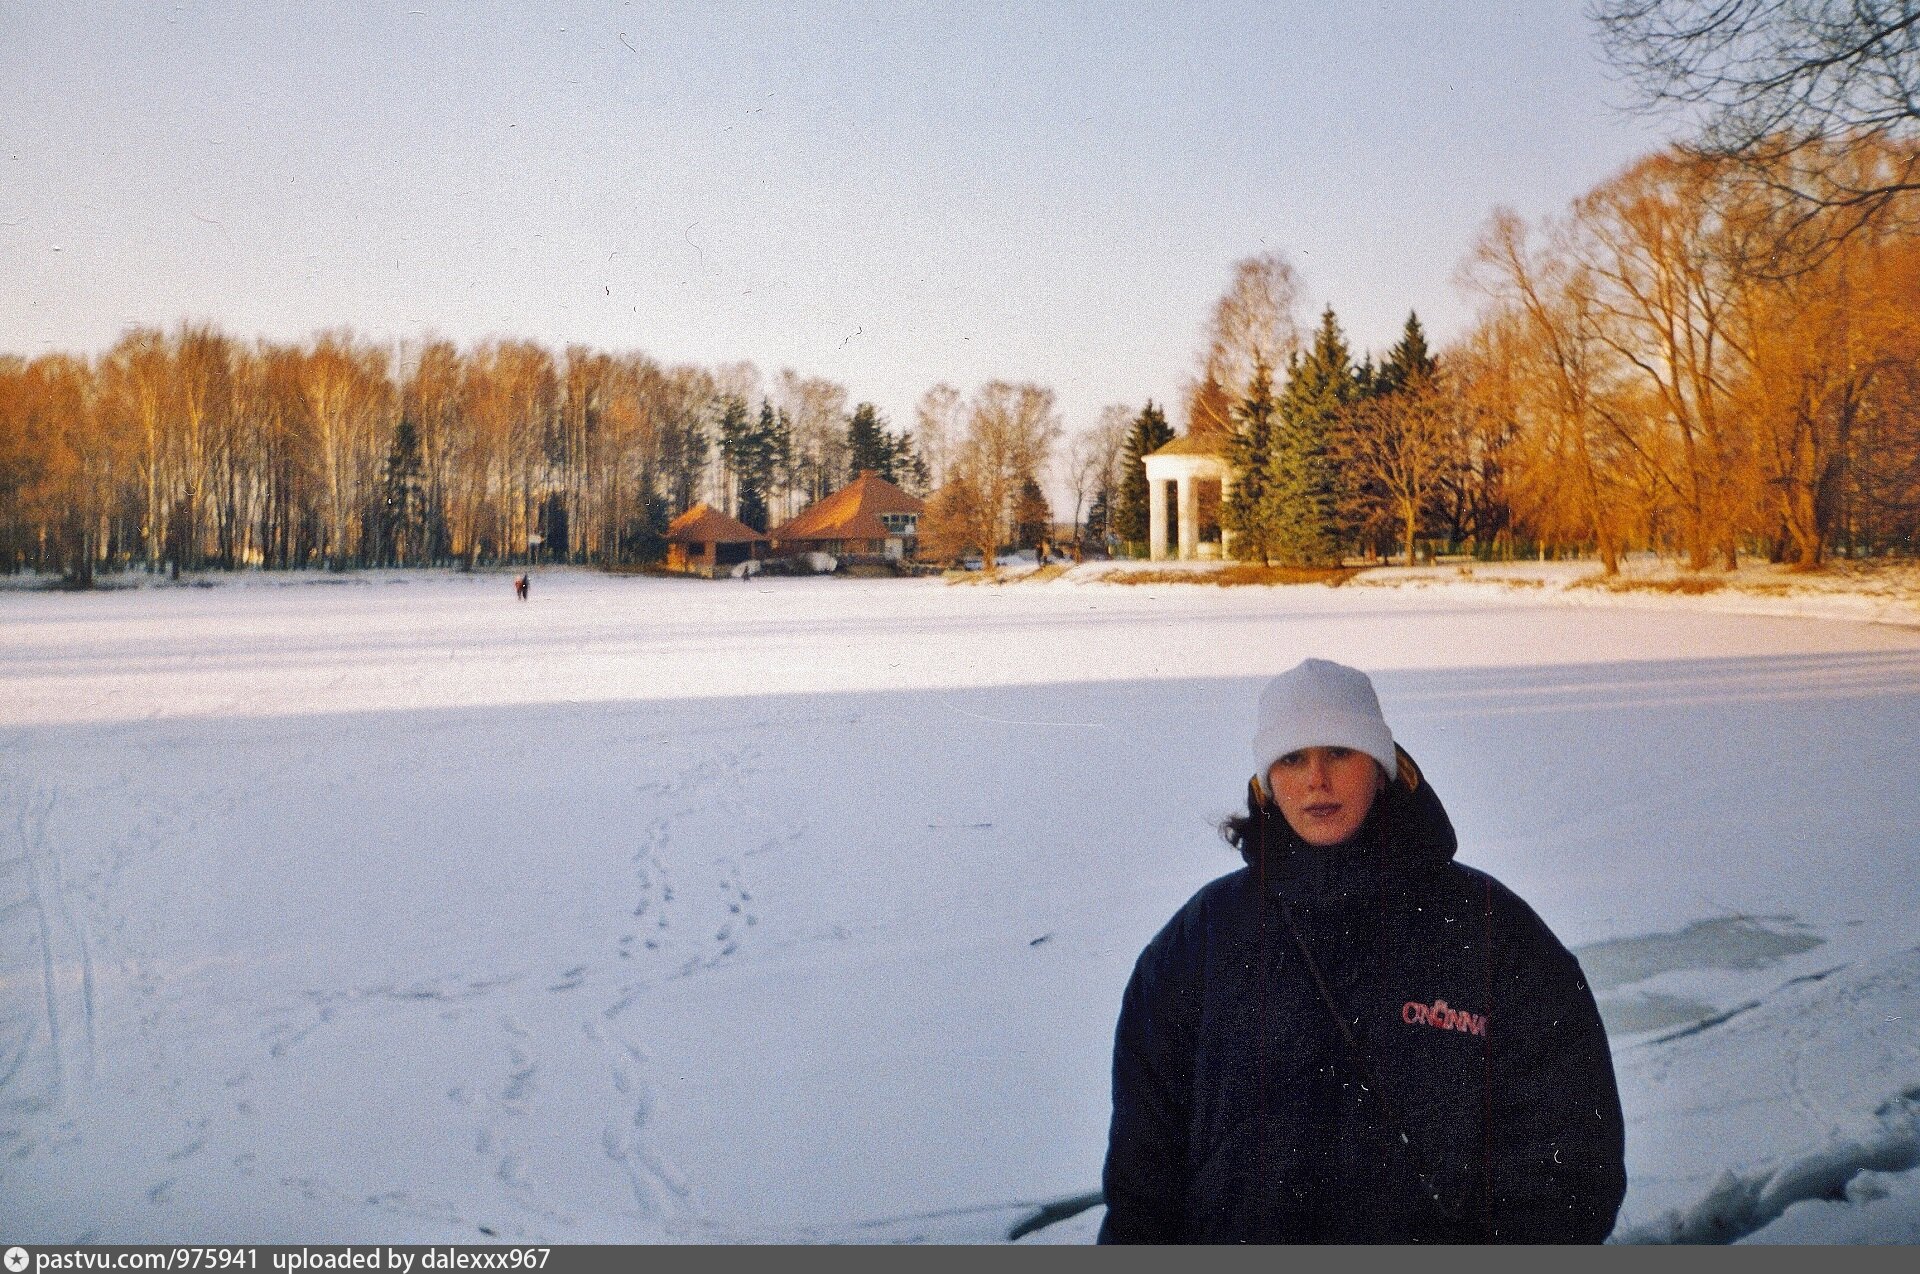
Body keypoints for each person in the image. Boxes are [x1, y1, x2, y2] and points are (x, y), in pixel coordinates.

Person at [1098, 658, 1626, 1243]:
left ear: (1382, 768)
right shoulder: (1203, 936)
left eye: (1340, 752)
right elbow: (1144, 1172)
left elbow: (1573, 1162)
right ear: (1266, 783)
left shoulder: (1490, 928)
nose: (1316, 780)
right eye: (1291, 759)